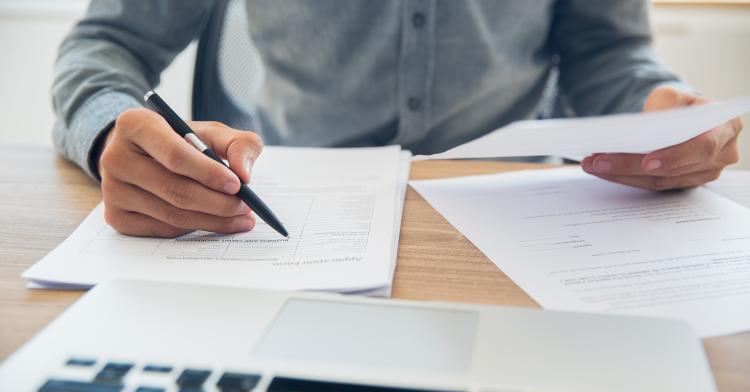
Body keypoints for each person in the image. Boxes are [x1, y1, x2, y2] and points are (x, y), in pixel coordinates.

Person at [52, 1, 743, 238]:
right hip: (285, 220)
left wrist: (660, 112)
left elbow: (609, 52)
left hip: (521, 223)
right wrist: (112, 127)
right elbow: (106, 44)